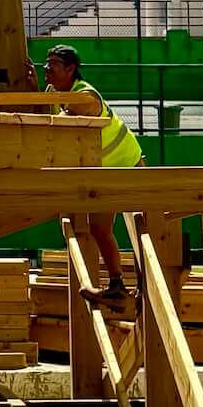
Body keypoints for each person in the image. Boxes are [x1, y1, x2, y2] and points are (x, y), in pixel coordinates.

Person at [43, 39, 143, 302]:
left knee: (143, 227)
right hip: (106, 172)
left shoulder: (85, 94)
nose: (47, 69)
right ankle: (118, 286)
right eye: (47, 64)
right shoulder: (56, 95)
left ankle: (144, 285)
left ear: (71, 69)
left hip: (127, 165)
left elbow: (72, 117)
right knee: (98, 227)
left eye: (53, 65)